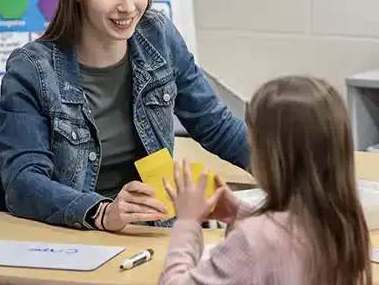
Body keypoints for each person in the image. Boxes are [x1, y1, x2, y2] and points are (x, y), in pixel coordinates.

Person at [0, 0, 249, 232]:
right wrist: (101, 212)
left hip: (153, 230)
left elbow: (216, 124)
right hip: (75, 233)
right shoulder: (32, 70)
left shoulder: (158, 36)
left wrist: (289, 172)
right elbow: (23, 183)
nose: (128, 7)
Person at [159, 76, 372, 285]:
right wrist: (241, 213)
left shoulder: (254, 240)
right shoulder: (344, 223)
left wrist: (187, 222)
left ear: (272, 159)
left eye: (253, 147)